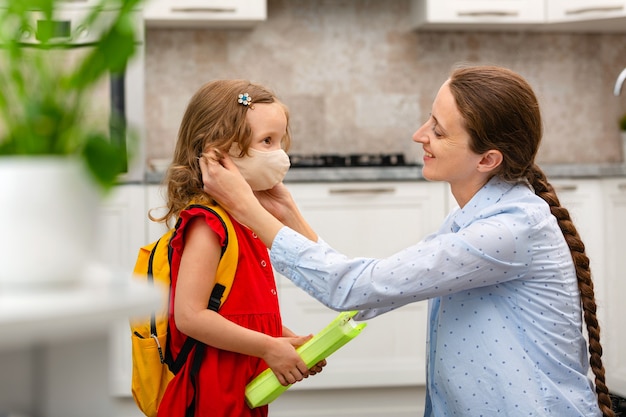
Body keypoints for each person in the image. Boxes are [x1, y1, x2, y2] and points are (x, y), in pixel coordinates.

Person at [199, 65, 615, 417]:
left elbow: (356, 287)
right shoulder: (472, 220)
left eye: (438, 130)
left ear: (487, 159)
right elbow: (378, 292)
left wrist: (246, 209)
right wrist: (287, 215)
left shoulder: (506, 231)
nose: (419, 135)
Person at [152, 79, 325, 417]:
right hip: (210, 394)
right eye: (267, 142)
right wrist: (268, 346)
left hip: (241, 385)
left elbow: (238, 311)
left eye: (280, 141)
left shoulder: (246, 221)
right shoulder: (208, 225)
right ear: (219, 153)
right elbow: (191, 317)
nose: (279, 154)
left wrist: (284, 342)